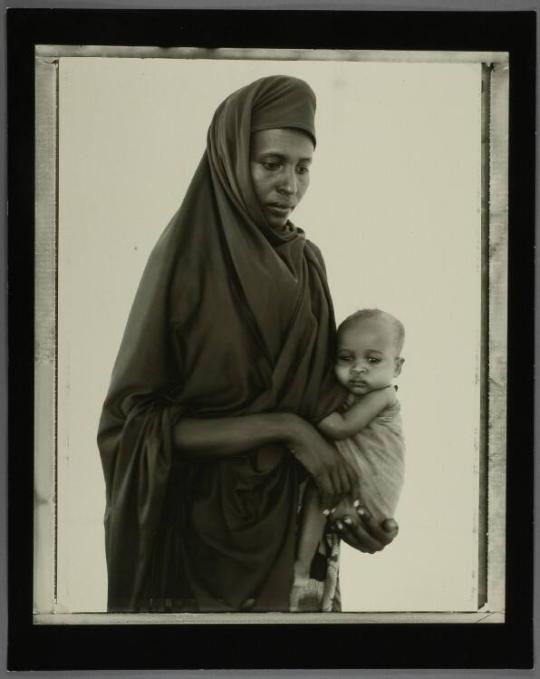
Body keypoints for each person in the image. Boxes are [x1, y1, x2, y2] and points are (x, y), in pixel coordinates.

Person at [98, 75, 398, 614]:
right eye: (272, 164)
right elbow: (133, 426)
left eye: (303, 167)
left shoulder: (307, 264)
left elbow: (326, 400)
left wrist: (355, 501)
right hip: (199, 552)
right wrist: (286, 429)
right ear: (231, 159)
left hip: (297, 547)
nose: (290, 185)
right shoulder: (185, 265)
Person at [290, 309, 405, 611]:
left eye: (372, 360)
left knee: (321, 489)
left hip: (372, 491)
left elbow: (339, 428)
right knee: (322, 488)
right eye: (345, 358)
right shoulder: (352, 391)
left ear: (398, 366)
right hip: (360, 487)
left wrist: (299, 403)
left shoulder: (384, 395)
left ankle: (300, 572)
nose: (358, 369)